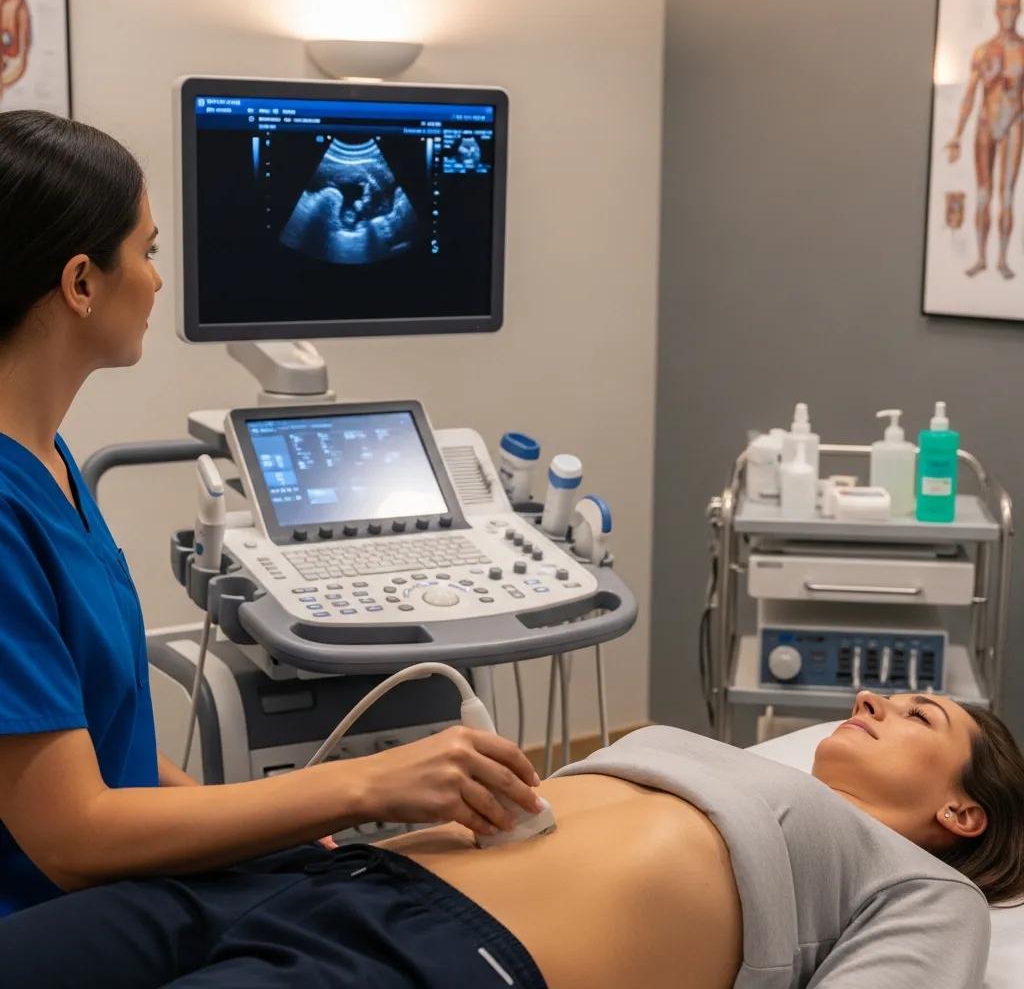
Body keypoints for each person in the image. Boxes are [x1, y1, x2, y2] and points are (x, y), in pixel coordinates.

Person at [0, 108, 546, 919]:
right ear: (81, 283)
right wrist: (359, 786)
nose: (157, 278)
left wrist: (271, 832)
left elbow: (118, 761)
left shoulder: (52, 464)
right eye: (146, 252)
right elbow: (75, 834)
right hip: (57, 926)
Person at [0, 690, 1021, 988]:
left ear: (962, 813)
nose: (872, 696)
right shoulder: (726, 760)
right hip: (310, 874)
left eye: (920, 716)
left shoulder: (921, 887)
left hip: (426, 957)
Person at [946, 0, 1024, 280]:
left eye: (1014, 7)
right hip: (985, 124)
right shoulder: (983, 50)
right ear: (995, 11)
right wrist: (955, 134)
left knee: (1007, 197)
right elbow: (969, 94)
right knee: (982, 196)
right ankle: (981, 257)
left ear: (1020, 11)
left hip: (1015, 122)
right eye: (1004, 7)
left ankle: (1002, 259)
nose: (1009, 13)